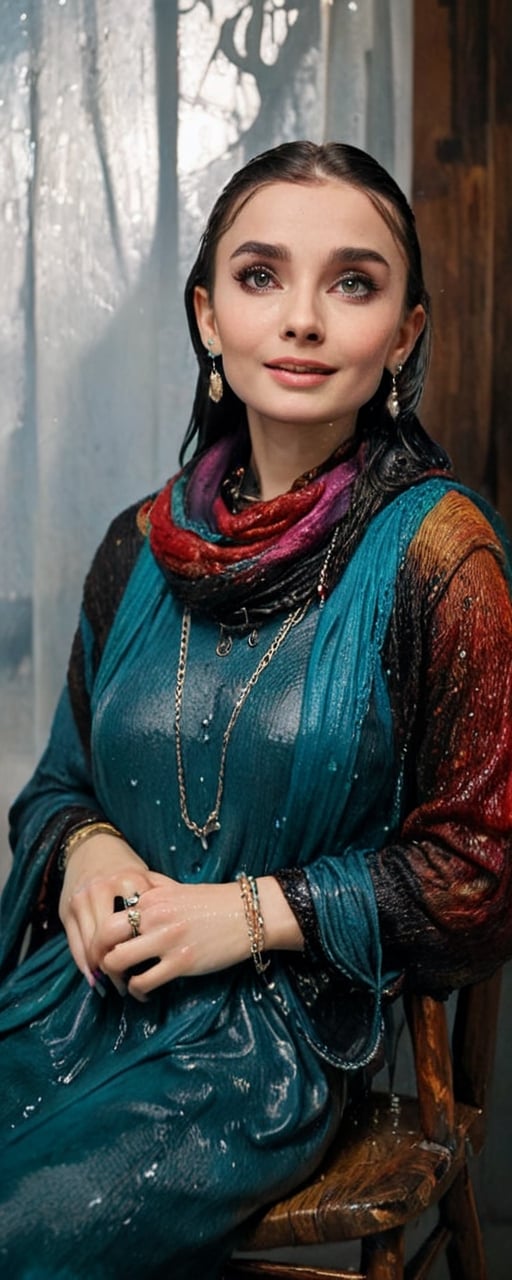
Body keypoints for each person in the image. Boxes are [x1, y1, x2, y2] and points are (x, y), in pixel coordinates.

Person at [0, 139, 511, 1279]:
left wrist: (252, 912)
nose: (301, 320)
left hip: (266, 1042)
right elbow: (59, 781)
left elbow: (482, 868)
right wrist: (80, 849)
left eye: (352, 282)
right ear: (206, 316)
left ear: (404, 334)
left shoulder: (442, 555)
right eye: (260, 275)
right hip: (87, 990)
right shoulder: (136, 546)